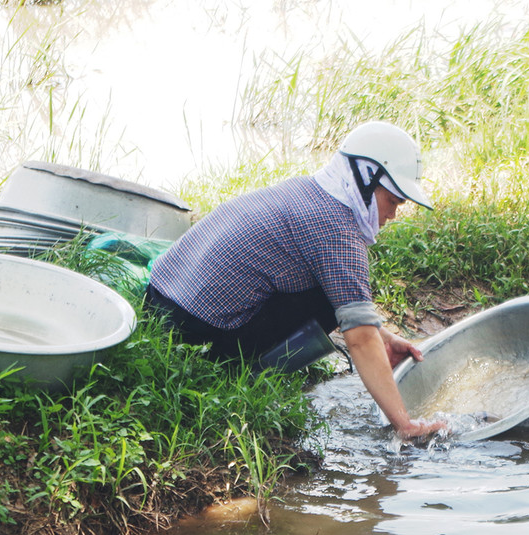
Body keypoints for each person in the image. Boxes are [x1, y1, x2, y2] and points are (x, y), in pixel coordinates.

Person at [144, 121, 446, 441]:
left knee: (337, 296)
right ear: (366, 178)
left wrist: (381, 335)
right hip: (191, 332)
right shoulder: (338, 229)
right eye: (393, 201)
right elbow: (358, 337)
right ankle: (234, 375)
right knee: (332, 308)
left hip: (159, 301)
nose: (393, 215)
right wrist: (406, 425)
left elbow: (356, 314)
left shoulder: (308, 191)